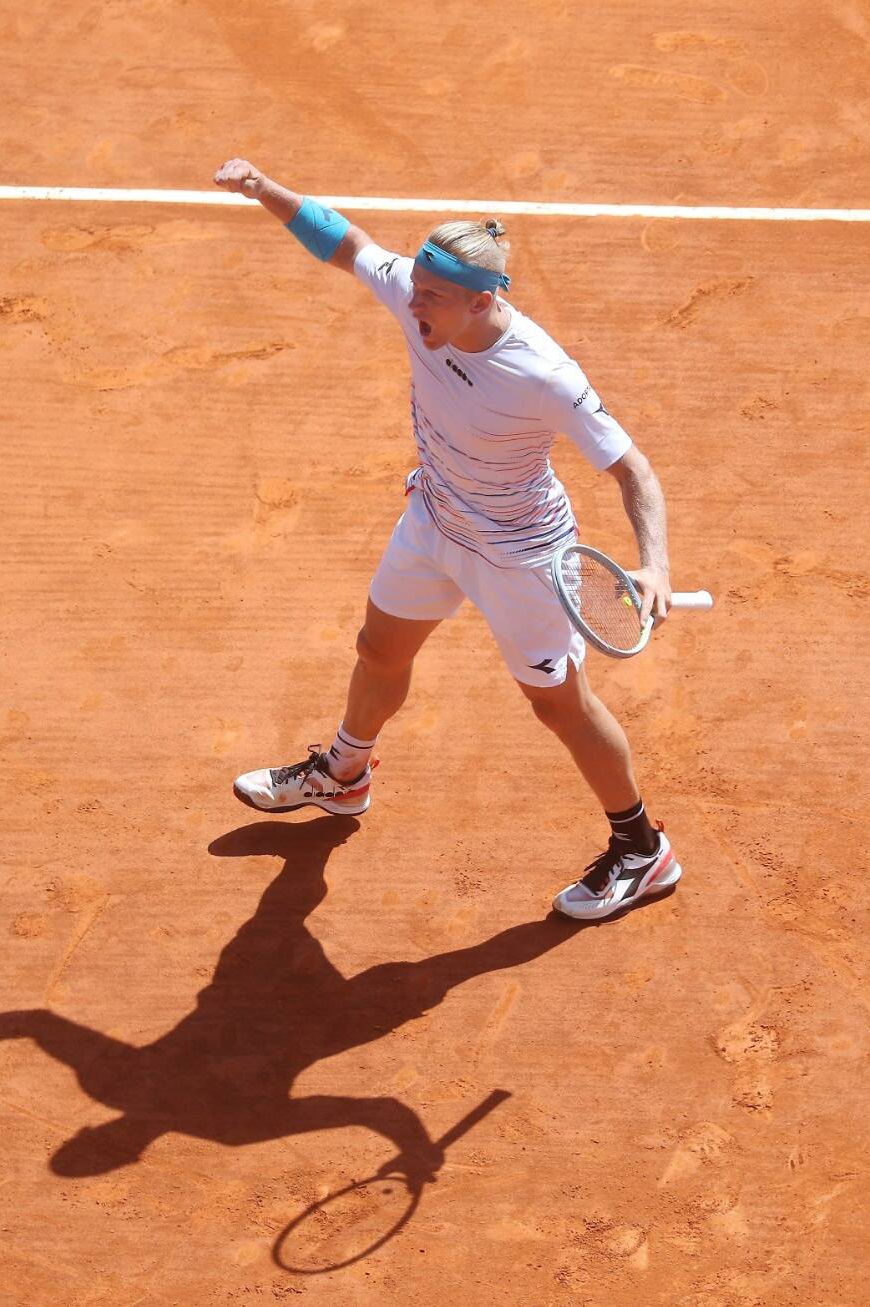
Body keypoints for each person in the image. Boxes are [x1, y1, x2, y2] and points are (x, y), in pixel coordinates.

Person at [213, 158, 682, 923]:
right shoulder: (415, 290)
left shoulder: (544, 374)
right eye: (416, 287)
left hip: (521, 555)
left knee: (559, 706)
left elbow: (632, 468)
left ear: (484, 300)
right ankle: (344, 773)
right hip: (435, 518)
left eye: (432, 296)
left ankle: (641, 848)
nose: (412, 300)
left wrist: (656, 563)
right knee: (378, 649)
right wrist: (267, 190)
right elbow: (345, 241)